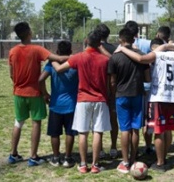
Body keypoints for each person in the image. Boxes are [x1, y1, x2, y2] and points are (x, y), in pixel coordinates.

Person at [116, 36, 174, 171]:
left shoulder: (156, 55)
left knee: (158, 131)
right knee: (168, 129)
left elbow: (140, 59)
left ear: (154, 47)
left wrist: (122, 49)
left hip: (158, 98)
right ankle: (164, 157)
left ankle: (160, 162)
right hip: (172, 97)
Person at [7, 22, 69, 167]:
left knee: (18, 122)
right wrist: (79, 56)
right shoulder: (37, 49)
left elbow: (11, 74)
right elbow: (59, 59)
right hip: (34, 93)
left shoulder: (12, 51)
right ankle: (33, 156)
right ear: (29, 32)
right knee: (36, 123)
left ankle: (13, 154)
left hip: (18, 93)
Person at [51, 30, 111, 174]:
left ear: (86, 41)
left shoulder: (79, 57)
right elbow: (112, 67)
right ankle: (95, 165)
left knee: (83, 133)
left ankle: (83, 164)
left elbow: (59, 69)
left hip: (83, 99)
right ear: (100, 44)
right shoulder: (105, 60)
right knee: (98, 132)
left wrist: (52, 59)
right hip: (100, 99)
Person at [108, 28, 150, 173]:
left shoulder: (115, 57)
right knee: (135, 129)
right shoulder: (141, 55)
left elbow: (112, 81)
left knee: (125, 129)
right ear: (134, 39)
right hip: (138, 95)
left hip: (121, 96)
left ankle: (125, 161)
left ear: (120, 39)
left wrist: (115, 94)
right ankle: (134, 158)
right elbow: (148, 78)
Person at [38, 40, 78, 168]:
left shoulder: (51, 64)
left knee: (55, 133)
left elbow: (40, 79)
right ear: (70, 52)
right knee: (70, 132)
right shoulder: (74, 63)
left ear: (57, 52)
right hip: (72, 104)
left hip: (55, 104)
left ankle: (55, 158)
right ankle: (68, 158)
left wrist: (45, 93)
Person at [124, 20, 154, 155]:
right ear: (138, 32)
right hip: (147, 86)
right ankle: (148, 145)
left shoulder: (123, 47)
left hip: (129, 87)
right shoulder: (147, 43)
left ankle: (131, 150)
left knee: (128, 122)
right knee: (147, 118)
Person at [95, 23, 119, 159]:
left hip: (97, 90)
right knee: (113, 119)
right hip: (113, 89)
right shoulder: (115, 49)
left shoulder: (95, 50)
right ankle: (114, 147)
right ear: (108, 35)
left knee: (98, 121)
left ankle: (100, 149)